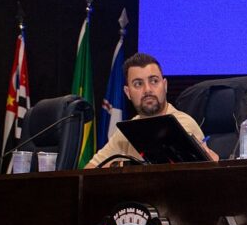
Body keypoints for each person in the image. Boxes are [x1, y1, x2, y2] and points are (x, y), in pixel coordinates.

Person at [86, 53, 216, 167]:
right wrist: (119, 165)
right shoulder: (128, 129)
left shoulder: (182, 123)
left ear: (165, 86)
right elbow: (90, 170)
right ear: (128, 93)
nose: (147, 89)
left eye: (154, 81)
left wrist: (123, 166)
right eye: (138, 84)